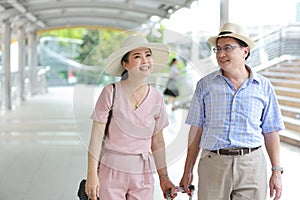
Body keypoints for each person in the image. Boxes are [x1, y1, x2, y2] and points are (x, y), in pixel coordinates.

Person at [179, 23, 285, 200]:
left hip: (252, 165)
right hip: (213, 164)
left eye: (228, 48)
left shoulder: (264, 87)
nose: (221, 54)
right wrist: (187, 170)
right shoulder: (205, 85)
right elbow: (196, 130)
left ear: (245, 51)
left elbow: (271, 130)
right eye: (218, 49)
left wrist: (277, 172)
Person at [85, 35, 177, 200]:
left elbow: (158, 142)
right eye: (137, 56)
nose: (145, 60)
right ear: (125, 64)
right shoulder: (110, 93)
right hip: (111, 168)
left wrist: (164, 177)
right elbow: (96, 139)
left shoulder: (157, 97)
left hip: (142, 172)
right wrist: (92, 174)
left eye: (148, 55)